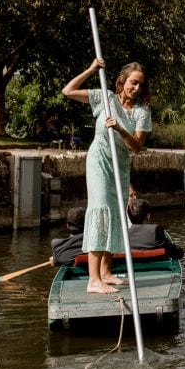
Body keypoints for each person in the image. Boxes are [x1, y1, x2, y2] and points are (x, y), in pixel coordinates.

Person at [62, 58, 151, 295]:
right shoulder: (106, 98)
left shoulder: (142, 112)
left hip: (120, 167)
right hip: (99, 161)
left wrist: (121, 129)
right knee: (101, 211)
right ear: (123, 81)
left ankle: (105, 273)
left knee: (115, 215)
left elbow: (136, 147)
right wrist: (91, 69)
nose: (136, 89)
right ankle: (93, 280)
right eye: (133, 83)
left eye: (141, 85)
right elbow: (67, 91)